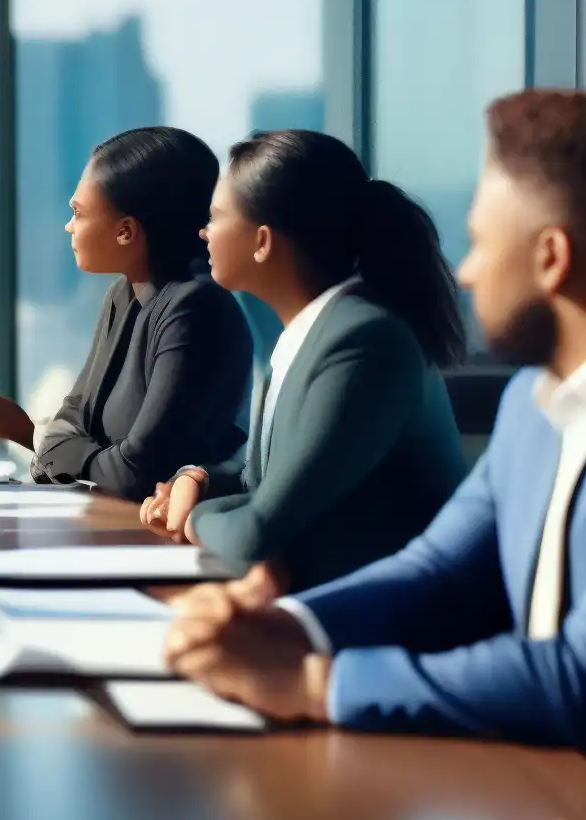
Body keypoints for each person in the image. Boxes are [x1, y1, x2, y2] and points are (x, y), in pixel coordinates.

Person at [163, 91, 586, 820]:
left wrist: (316, 680)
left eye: (484, 243)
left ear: (552, 256)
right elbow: (442, 571)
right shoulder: (535, 397)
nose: (464, 269)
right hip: (561, 815)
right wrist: (288, 627)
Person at [144, 129, 467, 589]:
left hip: (390, 629)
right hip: (323, 606)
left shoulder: (364, 342)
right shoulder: (312, 331)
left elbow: (256, 535)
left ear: (262, 241)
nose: (204, 231)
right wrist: (197, 479)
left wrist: (195, 518)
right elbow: (262, 478)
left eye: (216, 217)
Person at [0, 126, 251, 497]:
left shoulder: (194, 308)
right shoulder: (123, 295)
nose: (69, 225)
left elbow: (138, 472)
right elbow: (71, 420)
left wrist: (64, 453)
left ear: (125, 230)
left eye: (78, 212)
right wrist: (75, 450)